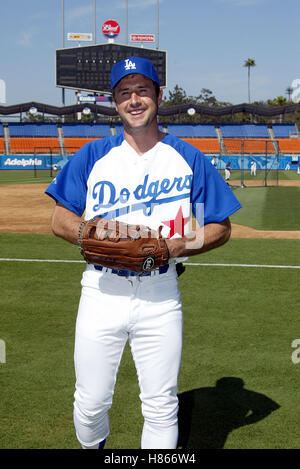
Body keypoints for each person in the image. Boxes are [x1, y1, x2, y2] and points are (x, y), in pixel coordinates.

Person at [45, 56, 241, 450]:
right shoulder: (93, 155)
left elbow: (220, 226)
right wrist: (90, 232)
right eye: (124, 93)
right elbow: (58, 219)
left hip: (160, 293)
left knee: (161, 406)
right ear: (115, 102)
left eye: (142, 91)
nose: (134, 100)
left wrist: (175, 246)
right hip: (102, 291)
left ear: (158, 95)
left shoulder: (187, 158)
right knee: (90, 402)